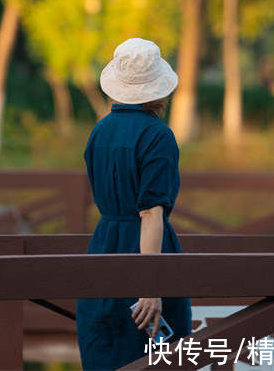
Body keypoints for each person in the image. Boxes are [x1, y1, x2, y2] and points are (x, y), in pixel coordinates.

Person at [76, 37, 193, 370]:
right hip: (148, 254)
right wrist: (150, 286)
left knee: (103, 348)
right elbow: (151, 213)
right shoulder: (158, 136)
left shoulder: (98, 132)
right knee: (159, 356)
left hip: (102, 248)